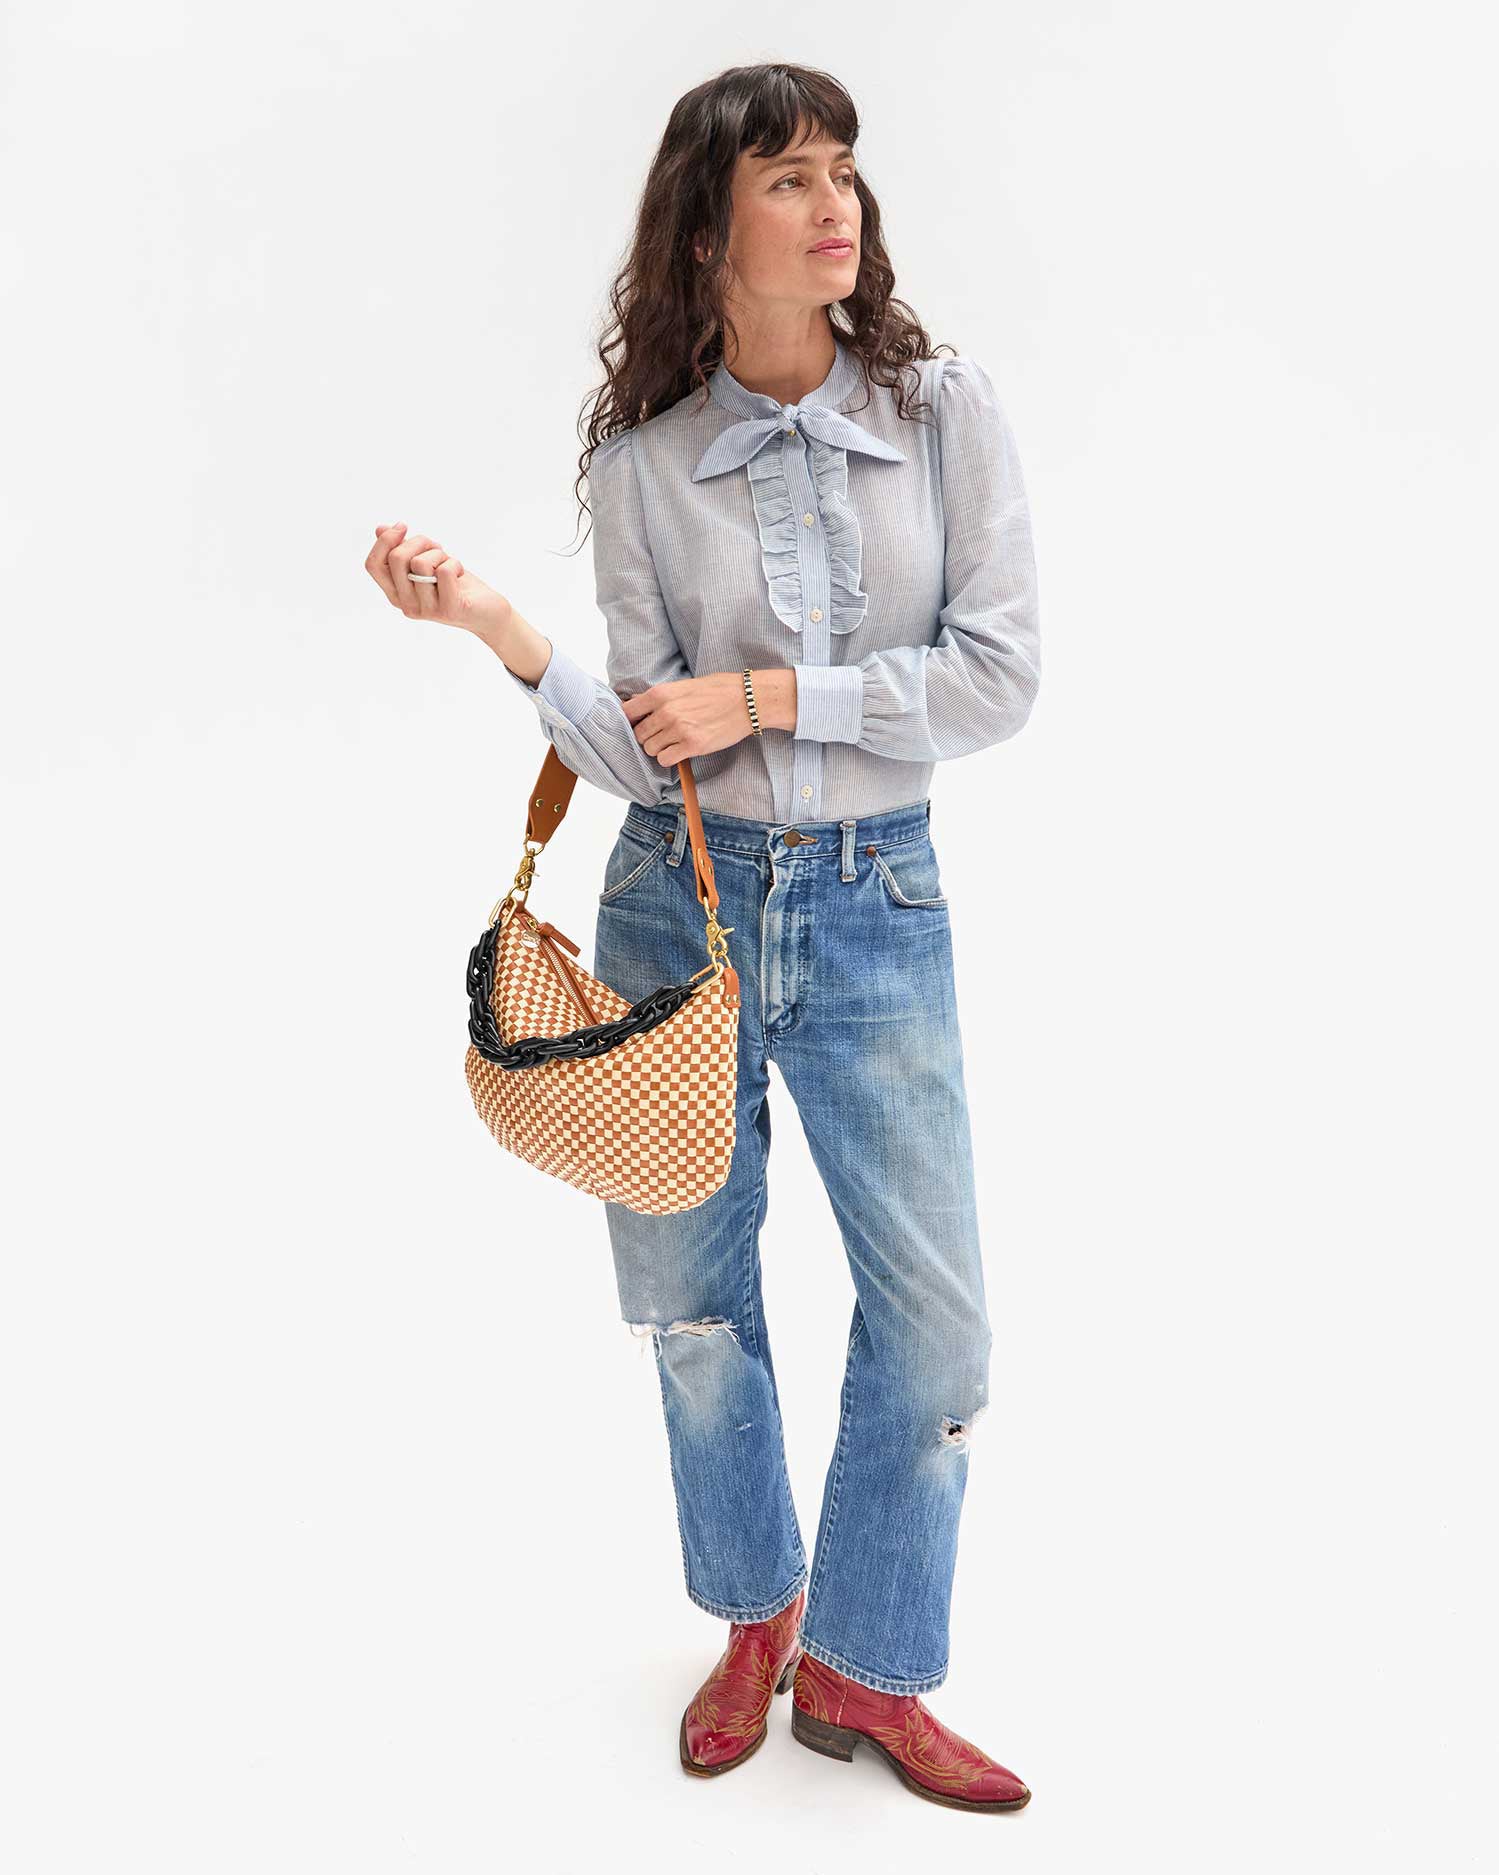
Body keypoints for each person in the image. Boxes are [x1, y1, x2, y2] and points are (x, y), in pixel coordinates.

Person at [364, 62, 1040, 1815]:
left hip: (880, 901)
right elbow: (639, 748)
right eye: (790, 179)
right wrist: (496, 626)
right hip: (683, 901)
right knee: (687, 1306)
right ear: (704, 230)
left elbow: (999, 678)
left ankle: (868, 1666)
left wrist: (775, 694)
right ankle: (760, 1616)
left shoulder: (943, 411)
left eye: (844, 171)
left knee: (939, 1326)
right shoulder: (644, 466)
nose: (836, 207)